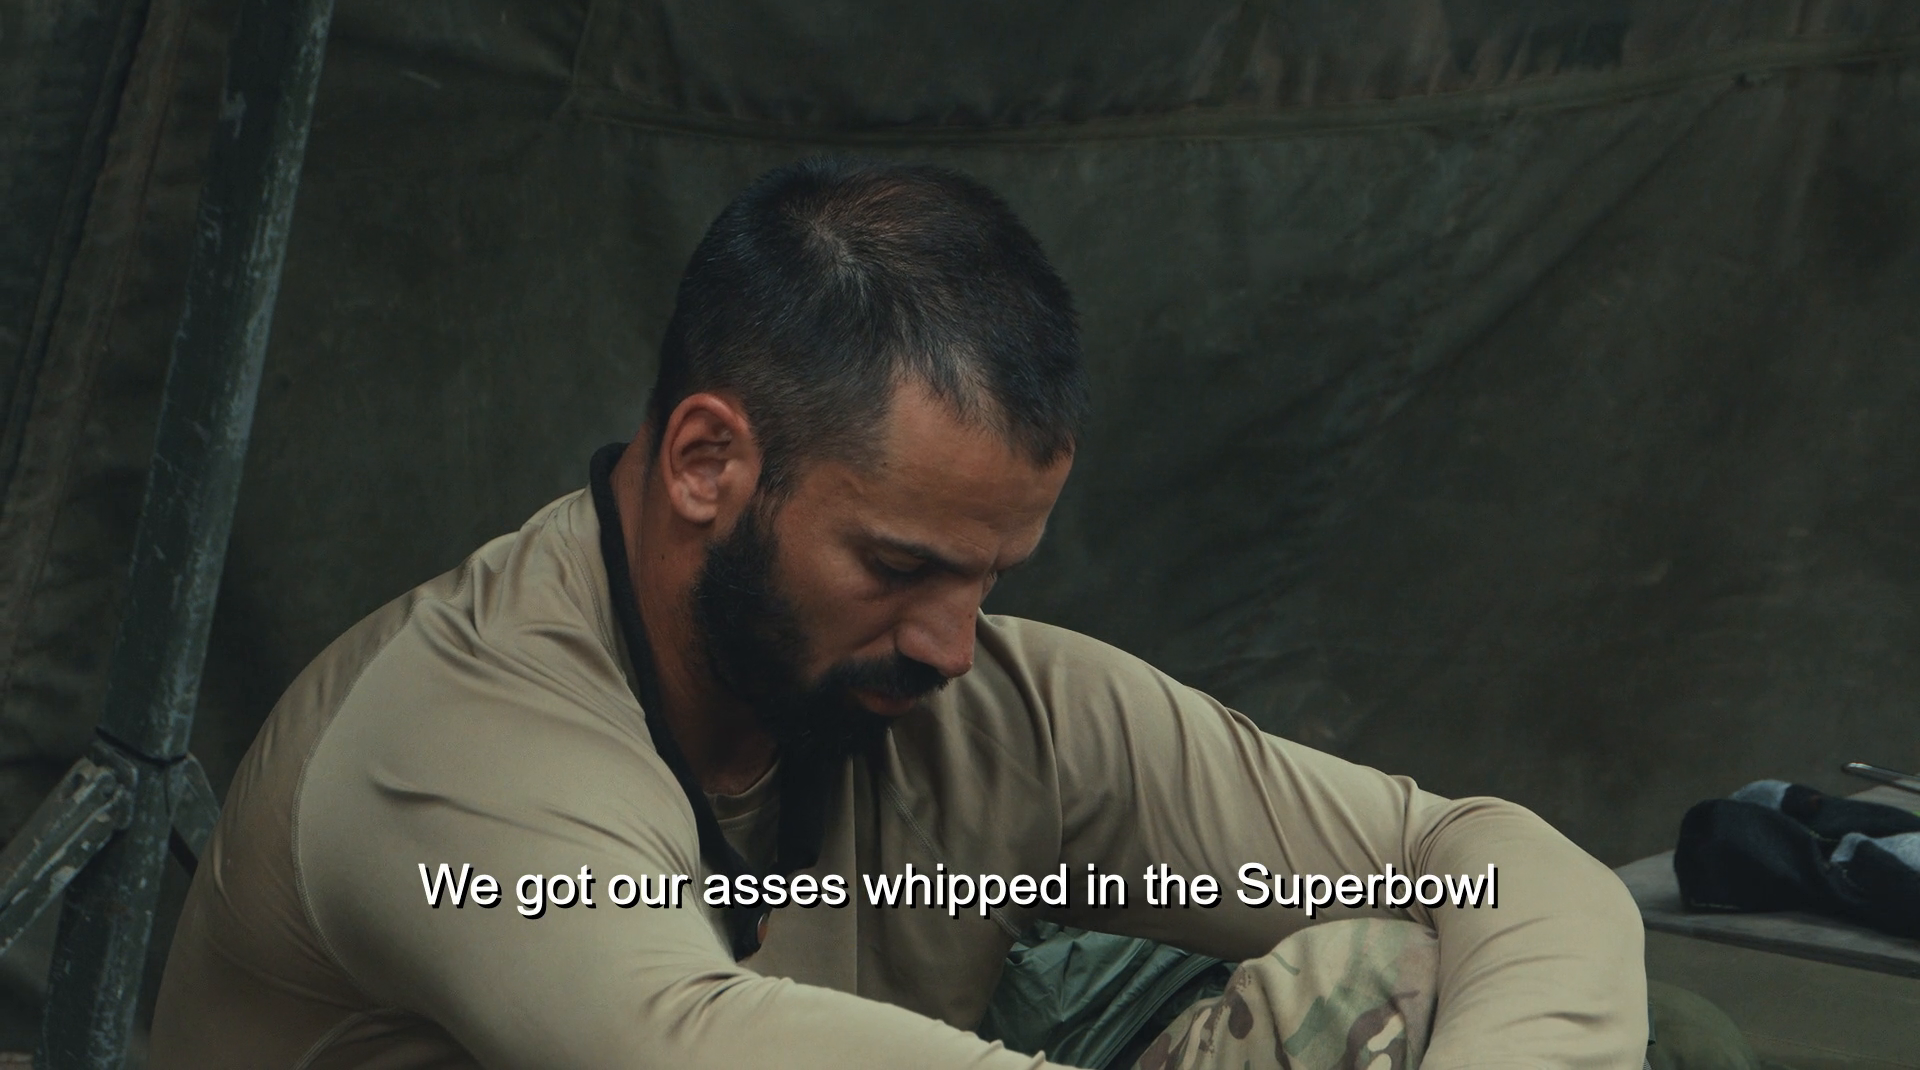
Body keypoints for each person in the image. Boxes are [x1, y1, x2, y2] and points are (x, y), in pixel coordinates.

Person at [149, 158, 1650, 1068]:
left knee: (1411, 982)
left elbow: (1483, 859)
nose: (949, 643)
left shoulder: (988, 706)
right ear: (709, 463)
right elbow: (679, 1041)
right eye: (898, 566)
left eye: (992, 576)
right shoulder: (456, 730)